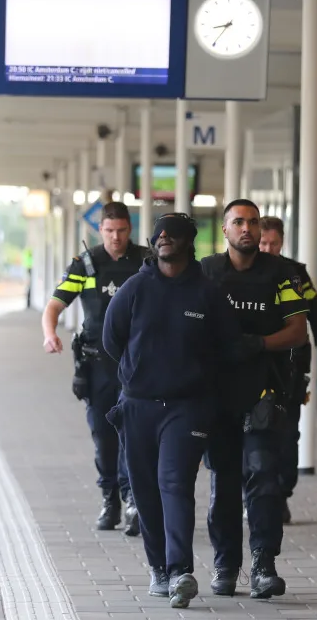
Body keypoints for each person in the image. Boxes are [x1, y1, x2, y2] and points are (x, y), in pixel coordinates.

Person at [102, 212, 245, 609]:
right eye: (159, 234)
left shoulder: (207, 293)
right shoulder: (133, 289)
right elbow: (112, 340)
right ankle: (160, 569)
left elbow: (226, 347)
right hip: (138, 406)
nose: (164, 239)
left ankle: (181, 570)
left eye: (173, 234)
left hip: (188, 408)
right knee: (146, 490)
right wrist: (139, 373)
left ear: (189, 241)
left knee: (175, 483)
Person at [200, 199, 309, 600]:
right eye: (238, 222)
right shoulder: (207, 273)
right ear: (225, 230)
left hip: (265, 395)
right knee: (224, 484)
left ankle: (264, 565)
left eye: (253, 222)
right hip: (217, 398)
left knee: (264, 480)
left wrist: (258, 343)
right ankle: (226, 565)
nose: (247, 228)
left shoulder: (281, 274)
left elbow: (298, 331)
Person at [41, 200, 151, 536]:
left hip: (137, 365)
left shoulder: (146, 262)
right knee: (104, 436)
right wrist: (49, 335)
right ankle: (110, 499)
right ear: (99, 230)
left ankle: (132, 498)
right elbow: (55, 305)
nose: (115, 237)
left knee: (133, 434)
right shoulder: (86, 265)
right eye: (109, 231)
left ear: (129, 229)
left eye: (121, 231)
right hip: (97, 364)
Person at [258, 216, 317, 524]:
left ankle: (280, 493)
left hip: (290, 369)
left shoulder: (295, 274)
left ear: (282, 242)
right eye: (263, 242)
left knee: (288, 436)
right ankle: (259, 496)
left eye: (273, 243)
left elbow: (315, 316)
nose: (267, 248)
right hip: (255, 368)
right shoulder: (243, 273)